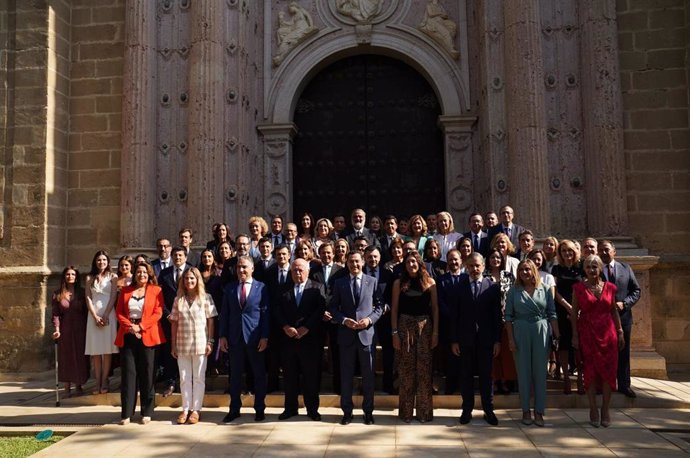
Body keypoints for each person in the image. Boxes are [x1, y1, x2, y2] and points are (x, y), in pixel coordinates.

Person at [330, 251, 384, 425]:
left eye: (357, 262)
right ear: (347, 263)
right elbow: (333, 308)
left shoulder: (372, 282)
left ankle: (368, 412)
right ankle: (347, 412)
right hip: (346, 336)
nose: (354, 265)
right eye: (351, 262)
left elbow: (380, 307)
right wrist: (345, 321)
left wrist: (369, 320)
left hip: (366, 336)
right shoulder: (340, 283)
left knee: (368, 377)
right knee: (346, 376)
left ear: (363, 262)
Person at [571, 254, 624, 427]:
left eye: (595, 267)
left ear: (600, 269)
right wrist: (575, 335)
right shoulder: (578, 288)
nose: (591, 270)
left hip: (608, 335)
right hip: (587, 334)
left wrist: (620, 331)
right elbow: (573, 314)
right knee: (590, 372)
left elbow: (614, 311)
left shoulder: (610, 287)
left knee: (609, 372)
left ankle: (605, 409)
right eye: (588, 267)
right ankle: (593, 408)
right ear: (584, 269)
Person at [505, 260, 559, 427]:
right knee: (523, 372)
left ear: (534, 271)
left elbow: (552, 313)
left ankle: (539, 411)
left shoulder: (544, 289)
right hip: (520, 330)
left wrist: (557, 334)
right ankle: (526, 410)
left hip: (541, 331)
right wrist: (511, 339)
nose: (524, 272)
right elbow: (508, 317)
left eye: (527, 269)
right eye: (521, 270)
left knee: (539, 373)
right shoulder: (514, 291)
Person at [450, 253, 502, 426]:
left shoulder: (492, 287)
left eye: (477, 265)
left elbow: (496, 317)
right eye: (471, 266)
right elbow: (454, 316)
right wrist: (454, 340)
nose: (474, 269)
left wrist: (497, 340)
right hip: (465, 340)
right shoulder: (459, 287)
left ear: (483, 265)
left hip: (486, 341)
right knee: (466, 376)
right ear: (466, 266)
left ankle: (488, 410)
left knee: (486, 377)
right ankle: (467, 410)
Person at [219, 256, 270, 423]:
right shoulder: (230, 288)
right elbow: (224, 314)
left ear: (252, 269)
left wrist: (264, 336)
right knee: (234, 376)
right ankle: (234, 409)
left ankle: (260, 409)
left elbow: (265, 314)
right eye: (239, 267)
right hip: (234, 338)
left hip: (255, 338)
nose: (241, 270)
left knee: (258, 375)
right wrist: (222, 336)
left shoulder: (261, 288)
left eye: (245, 267)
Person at [274, 259, 326, 421]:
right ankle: (290, 408)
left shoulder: (317, 287)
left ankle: (312, 409)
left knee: (311, 377)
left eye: (301, 270)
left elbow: (320, 310)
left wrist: (306, 328)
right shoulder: (283, 289)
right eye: (294, 270)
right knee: (289, 376)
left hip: (310, 340)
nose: (297, 273)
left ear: (308, 271)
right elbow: (276, 310)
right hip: (288, 339)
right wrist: (285, 327)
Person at [115, 262, 165, 425]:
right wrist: (130, 327)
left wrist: (141, 326)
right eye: (138, 272)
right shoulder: (125, 290)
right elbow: (119, 312)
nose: (141, 274)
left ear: (149, 274)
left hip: (148, 334)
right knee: (128, 375)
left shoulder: (156, 290)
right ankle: (126, 413)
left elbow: (158, 312)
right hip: (128, 335)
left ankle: (147, 411)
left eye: (144, 272)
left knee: (148, 373)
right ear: (134, 274)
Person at [391, 251, 439, 422]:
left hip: (425, 328)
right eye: (408, 262)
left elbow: (435, 310)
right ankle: (406, 413)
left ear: (419, 263)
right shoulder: (398, 283)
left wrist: (435, 333)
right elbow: (394, 310)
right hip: (404, 327)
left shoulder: (430, 283)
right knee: (406, 370)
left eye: (414, 262)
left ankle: (424, 413)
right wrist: (394, 333)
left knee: (425, 370)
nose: (411, 265)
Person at [169, 267, 217, 425]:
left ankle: (196, 410)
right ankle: (185, 409)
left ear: (197, 281)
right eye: (186, 278)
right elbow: (174, 323)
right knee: (184, 378)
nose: (189, 281)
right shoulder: (178, 300)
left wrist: (210, 341)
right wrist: (173, 345)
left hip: (200, 343)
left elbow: (211, 321)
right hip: (182, 343)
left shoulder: (206, 298)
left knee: (198, 378)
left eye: (192, 278)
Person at [599, 240, 641, 398]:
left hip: (623, 318)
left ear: (614, 251)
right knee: (604, 352)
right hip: (602, 319)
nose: (604, 252)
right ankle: (606, 384)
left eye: (607, 249)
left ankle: (624, 385)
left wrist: (625, 303)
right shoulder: (594, 269)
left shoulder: (626, 268)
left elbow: (636, 291)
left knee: (623, 352)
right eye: (601, 250)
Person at [551, 239, 584, 394]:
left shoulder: (581, 268)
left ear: (575, 252)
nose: (567, 253)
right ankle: (565, 379)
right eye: (563, 251)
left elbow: (586, 288)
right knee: (564, 344)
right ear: (560, 253)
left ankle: (579, 379)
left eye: (569, 250)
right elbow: (555, 291)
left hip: (580, 311)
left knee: (578, 345)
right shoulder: (557, 269)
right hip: (563, 309)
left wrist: (577, 308)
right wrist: (568, 307)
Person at [158, 246, 191, 397]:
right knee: (170, 351)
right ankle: (170, 382)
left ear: (185, 257)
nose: (177, 258)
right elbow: (160, 297)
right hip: (169, 319)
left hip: (187, 319)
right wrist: (167, 315)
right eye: (175, 255)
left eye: (180, 255)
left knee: (187, 350)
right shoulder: (164, 274)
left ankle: (186, 381)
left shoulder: (192, 271)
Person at [84, 251, 119, 395]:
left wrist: (105, 315)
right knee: (96, 351)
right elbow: (88, 297)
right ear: (95, 261)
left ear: (108, 261)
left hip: (108, 313)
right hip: (93, 315)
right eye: (99, 260)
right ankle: (97, 381)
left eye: (104, 260)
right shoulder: (89, 277)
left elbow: (113, 296)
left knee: (107, 350)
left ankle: (105, 380)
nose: (101, 262)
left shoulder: (113, 277)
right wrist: (94, 316)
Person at [51, 266, 89, 398]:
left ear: (77, 276)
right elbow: (56, 314)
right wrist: (57, 329)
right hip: (65, 329)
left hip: (81, 328)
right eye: (68, 274)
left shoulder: (82, 292)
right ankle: (67, 388)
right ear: (64, 276)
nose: (70, 276)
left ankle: (79, 385)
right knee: (66, 357)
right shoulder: (58, 293)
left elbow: (87, 312)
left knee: (80, 356)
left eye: (73, 274)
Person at [484, 248, 517, 395]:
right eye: (492, 257)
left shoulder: (508, 276)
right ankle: (494, 379)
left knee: (504, 351)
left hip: (505, 317)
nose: (495, 260)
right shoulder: (484, 275)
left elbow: (513, 296)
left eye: (498, 258)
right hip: (488, 318)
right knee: (492, 352)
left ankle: (505, 380)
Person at [364, 246, 395, 394]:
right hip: (365, 321)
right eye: (369, 257)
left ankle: (388, 385)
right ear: (365, 258)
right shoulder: (359, 272)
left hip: (385, 320)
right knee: (366, 354)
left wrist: (388, 305)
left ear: (380, 258)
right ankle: (367, 388)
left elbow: (392, 295)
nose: (372, 259)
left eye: (375, 257)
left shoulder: (388, 274)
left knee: (388, 354)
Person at [527, 249, 558, 378]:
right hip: (527, 317)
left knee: (544, 345)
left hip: (543, 317)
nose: (536, 261)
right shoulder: (524, 274)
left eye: (539, 259)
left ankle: (544, 368)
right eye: (534, 258)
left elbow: (551, 298)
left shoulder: (548, 276)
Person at [436, 249, 463, 394]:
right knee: (449, 357)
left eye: (456, 259)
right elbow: (439, 301)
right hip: (447, 324)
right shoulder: (441, 280)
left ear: (461, 261)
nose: (453, 262)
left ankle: (463, 386)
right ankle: (451, 387)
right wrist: (452, 315)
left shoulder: (466, 278)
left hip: (464, 325)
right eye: (451, 259)